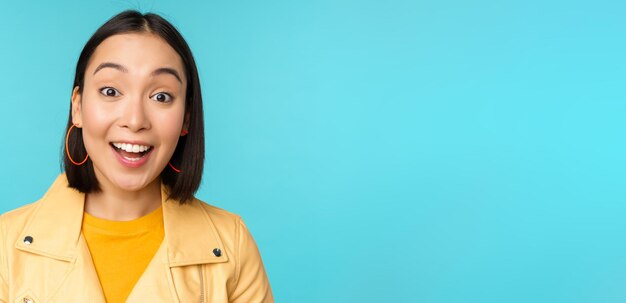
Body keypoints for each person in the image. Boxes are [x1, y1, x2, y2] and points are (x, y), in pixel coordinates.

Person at [0, 10, 273, 303]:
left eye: (161, 97)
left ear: (186, 118)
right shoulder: (5, 245)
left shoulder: (231, 245)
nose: (135, 120)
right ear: (77, 107)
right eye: (110, 90)